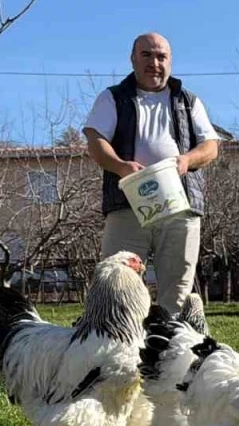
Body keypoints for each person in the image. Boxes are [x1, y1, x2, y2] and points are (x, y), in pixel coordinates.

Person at [82, 32, 220, 314]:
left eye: (161, 56)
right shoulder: (112, 98)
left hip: (180, 204)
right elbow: (96, 142)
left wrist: (186, 161)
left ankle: (172, 350)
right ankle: (119, 350)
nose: (154, 62)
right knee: (117, 283)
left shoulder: (188, 100)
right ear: (133, 59)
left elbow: (211, 147)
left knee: (179, 286)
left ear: (170, 61)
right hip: (127, 203)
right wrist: (121, 166)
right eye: (146, 55)